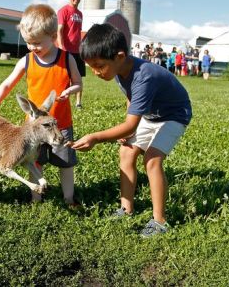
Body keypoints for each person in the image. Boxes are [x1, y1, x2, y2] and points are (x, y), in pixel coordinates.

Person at [69, 23, 192, 237]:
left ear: (119, 56)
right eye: (91, 67)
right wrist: (128, 133)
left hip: (174, 114)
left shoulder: (144, 75)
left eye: (99, 66)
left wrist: (96, 137)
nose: (96, 72)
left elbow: (131, 124)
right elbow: (131, 98)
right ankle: (126, 209)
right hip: (150, 114)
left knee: (152, 159)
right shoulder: (119, 70)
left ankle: (160, 222)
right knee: (126, 151)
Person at [0, 4, 83, 206]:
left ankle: (69, 197)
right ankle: (36, 197)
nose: (32, 47)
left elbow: (79, 83)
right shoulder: (27, 60)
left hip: (60, 124)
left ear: (53, 37)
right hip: (34, 128)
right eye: (28, 43)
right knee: (34, 162)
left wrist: (70, 90)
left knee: (65, 163)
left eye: (36, 43)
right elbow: (8, 83)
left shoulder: (66, 58)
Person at [57, 0, 85, 109]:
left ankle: (78, 103)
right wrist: (62, 47)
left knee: (78, 78)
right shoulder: (63, 11)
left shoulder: (80, 14)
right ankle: (64, 100)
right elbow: (59, 30)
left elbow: (77, 32)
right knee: (66, 78)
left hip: (77, 51)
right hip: (66, 50)